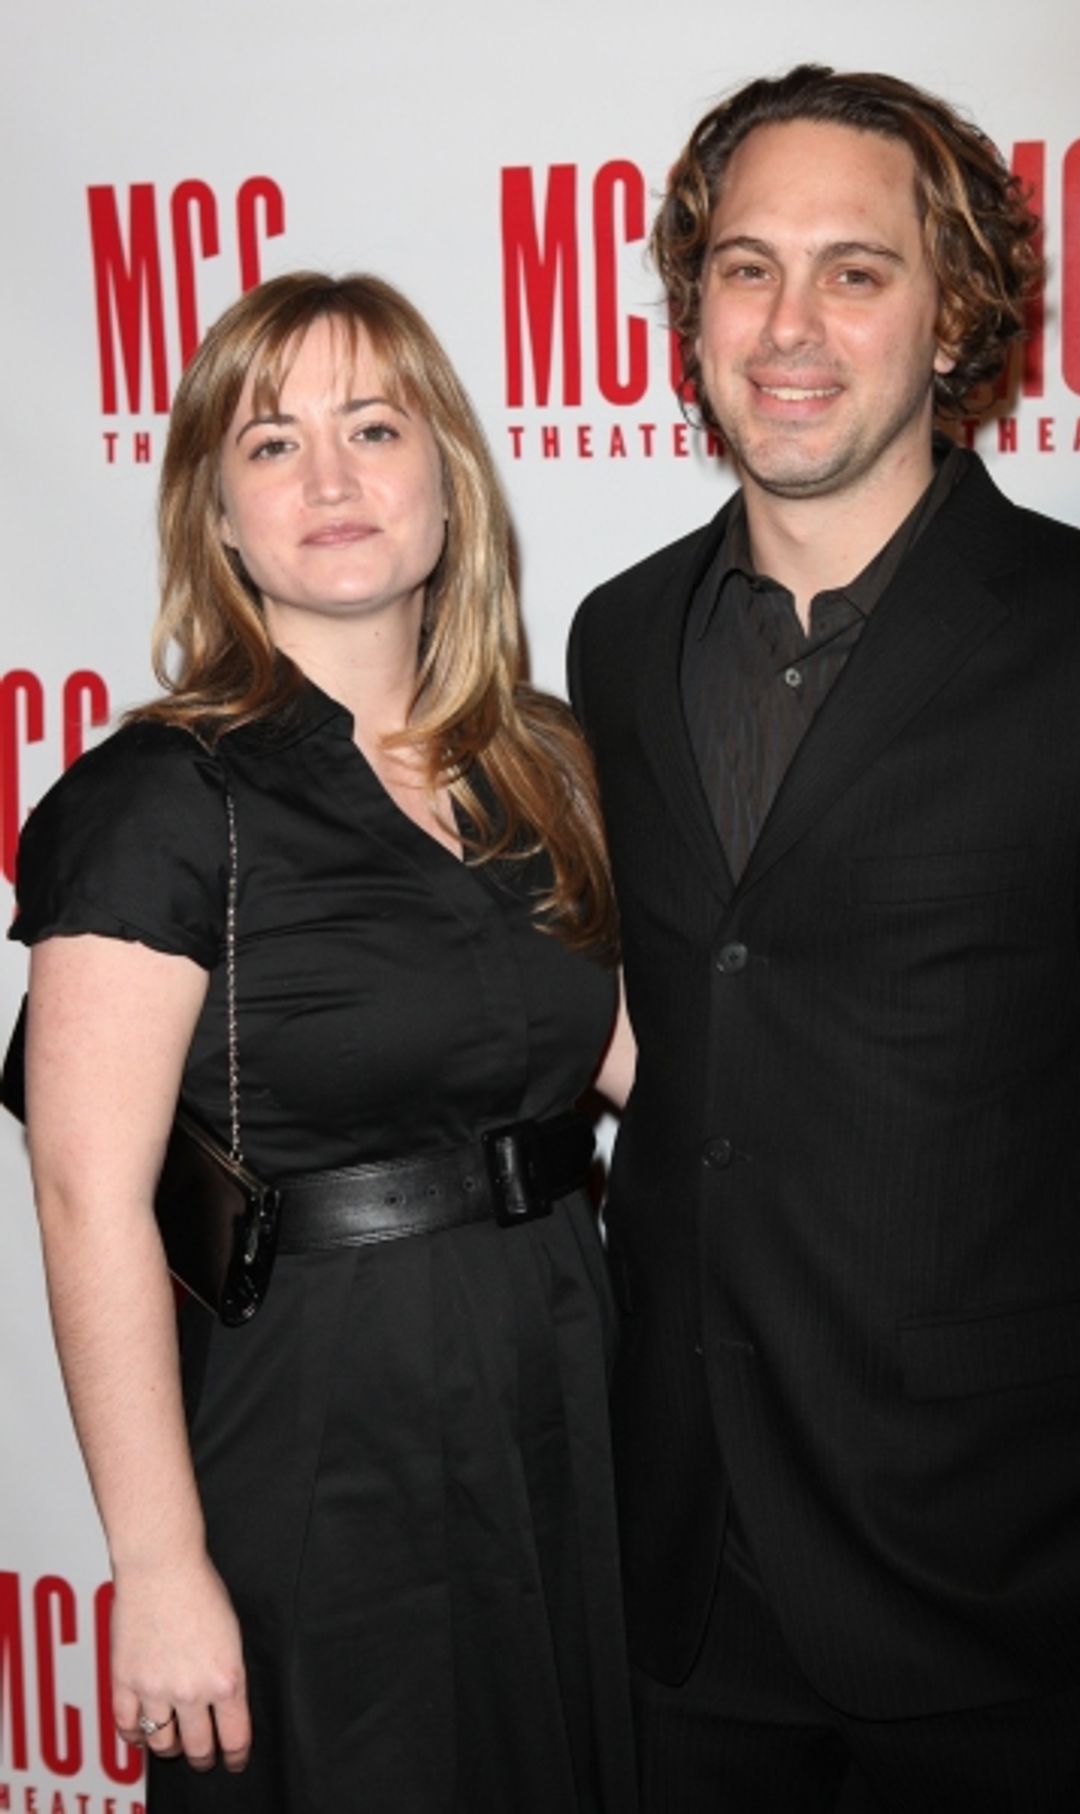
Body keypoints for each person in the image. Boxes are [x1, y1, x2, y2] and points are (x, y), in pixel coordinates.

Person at [568, 63, 1080, 1814]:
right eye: (747, 265)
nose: (791, 323)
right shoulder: (614, 644)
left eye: (857, 269)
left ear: (953, 316)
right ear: (692, 305)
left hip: (1016, 1608)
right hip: (681, 1593)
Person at [12, 270, 637, 1813]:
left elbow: (647, 1065)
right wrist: (156, 1565)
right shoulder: (158, 798)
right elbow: (91, 1195)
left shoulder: (547, 758)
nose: (334, 478)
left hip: (567, 1371)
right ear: (217, 512)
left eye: (374, 425)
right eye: (273, 442)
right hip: (319, 1413)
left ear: (449, 486)